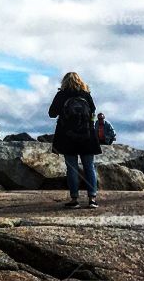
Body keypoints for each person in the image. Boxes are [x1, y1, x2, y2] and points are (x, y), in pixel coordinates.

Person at [49, 71, 100, 209]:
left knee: (72, 168)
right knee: (89, 167)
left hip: (68, 137)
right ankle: (92, 199)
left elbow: (51, 113)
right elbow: (93, 112)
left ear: (64, 82)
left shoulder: (62, 95)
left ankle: (74, 200)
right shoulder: (86, 94)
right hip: (87, 136)